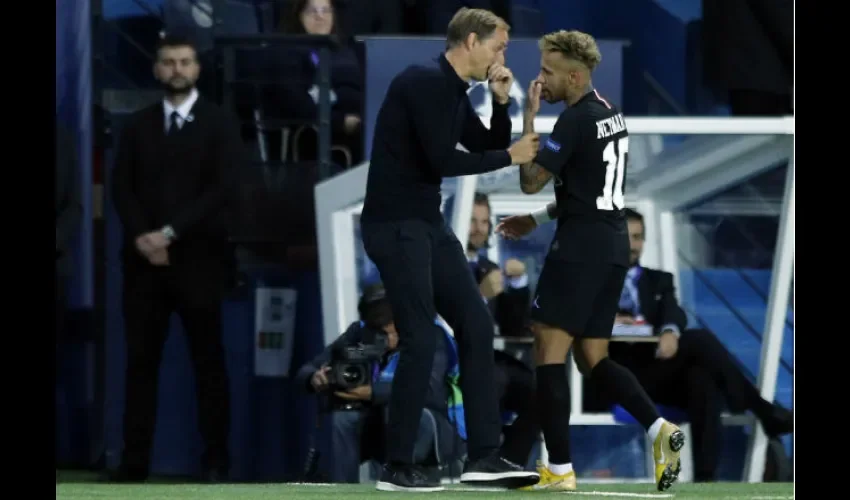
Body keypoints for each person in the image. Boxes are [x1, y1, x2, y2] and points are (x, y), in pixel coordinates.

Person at [359, 6, 540, 492]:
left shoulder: (455, 91)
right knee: (419, 337)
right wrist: (511, 155)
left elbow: (483, 139)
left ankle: (483, 456)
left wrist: (502, 104)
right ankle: (396, 465)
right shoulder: (422, 82)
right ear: (472, 41)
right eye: (499, 46)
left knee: (477, 325)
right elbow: (444, 157)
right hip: (395, 225)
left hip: (425, 223)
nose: (504, 56)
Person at [496, 30, 684, 492]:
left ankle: (558, 470)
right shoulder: (610, 114)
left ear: (575, 76)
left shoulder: (574, 121)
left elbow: (530, 180)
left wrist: (528, 118)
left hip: (579, 250)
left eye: (547, 73)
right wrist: (539, 220)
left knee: (548, 348)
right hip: (613, 246)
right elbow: (590, 190)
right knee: (592, 355)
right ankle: (660, 430)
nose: (540, 81)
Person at [108, 34, 241, 482]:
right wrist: (145, 238)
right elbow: (121, 188)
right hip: (143, 267)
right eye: (168, 62)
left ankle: (216, 460)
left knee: (209, 364)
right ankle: (133, 462)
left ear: (198, 69)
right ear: (157, 69)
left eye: (184, 62)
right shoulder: (138, 124)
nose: (177, 69)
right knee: (140, 365)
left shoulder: (219, 123)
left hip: (199, 262)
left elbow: (221, 190)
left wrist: (168, 234)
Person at [607, 208, 793, 482]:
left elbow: (674, 312)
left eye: (638, 237)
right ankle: (761, 409)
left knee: (701, 381)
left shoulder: (659, 279)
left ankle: (706, 480)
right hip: (619, 374)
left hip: (660, 370)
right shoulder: (592, 280)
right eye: (627, 237)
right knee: (700, 341)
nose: (633, 245)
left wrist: (669, 331)